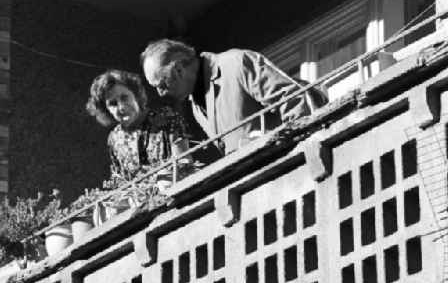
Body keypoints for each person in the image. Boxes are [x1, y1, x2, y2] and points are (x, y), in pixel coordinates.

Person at [140, 39, 326, 155]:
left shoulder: (236, 63)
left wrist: (303, 154)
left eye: (162, 85)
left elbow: (295, 99)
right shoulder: (196, 104)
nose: (161, 93)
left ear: (179, 69)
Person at [86, 69, 191, 179]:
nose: (121, 107)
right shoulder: (114, 139)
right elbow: (121, 182)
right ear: (106, 110)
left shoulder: (168, 118)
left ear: (136, 95)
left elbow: (185, 165)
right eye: (113, 104)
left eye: (124, 97)